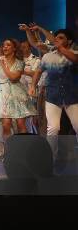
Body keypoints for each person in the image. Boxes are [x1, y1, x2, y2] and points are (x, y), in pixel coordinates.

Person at [31, 29, 78, 158]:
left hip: (72, 97)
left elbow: (75, 60)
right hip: (52, 96)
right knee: (53, 128)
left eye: (61, 38)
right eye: (56, 37)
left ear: (69, 41)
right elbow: (38, 72)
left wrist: (60, 48)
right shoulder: (47, 56)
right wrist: (32, 86)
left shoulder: (75, 53)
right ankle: (51, 157)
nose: (57, 39)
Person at [19, 41, 41, 134]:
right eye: (21, 47)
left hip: (31, 91)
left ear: (30, 48)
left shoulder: (36, 60)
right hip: (19, 91)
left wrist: (20, 71)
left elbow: (35, 74)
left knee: (32, 118)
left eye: (24, 47)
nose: (22, 49)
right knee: (21, 118)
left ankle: (34, 137)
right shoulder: (18, 60)